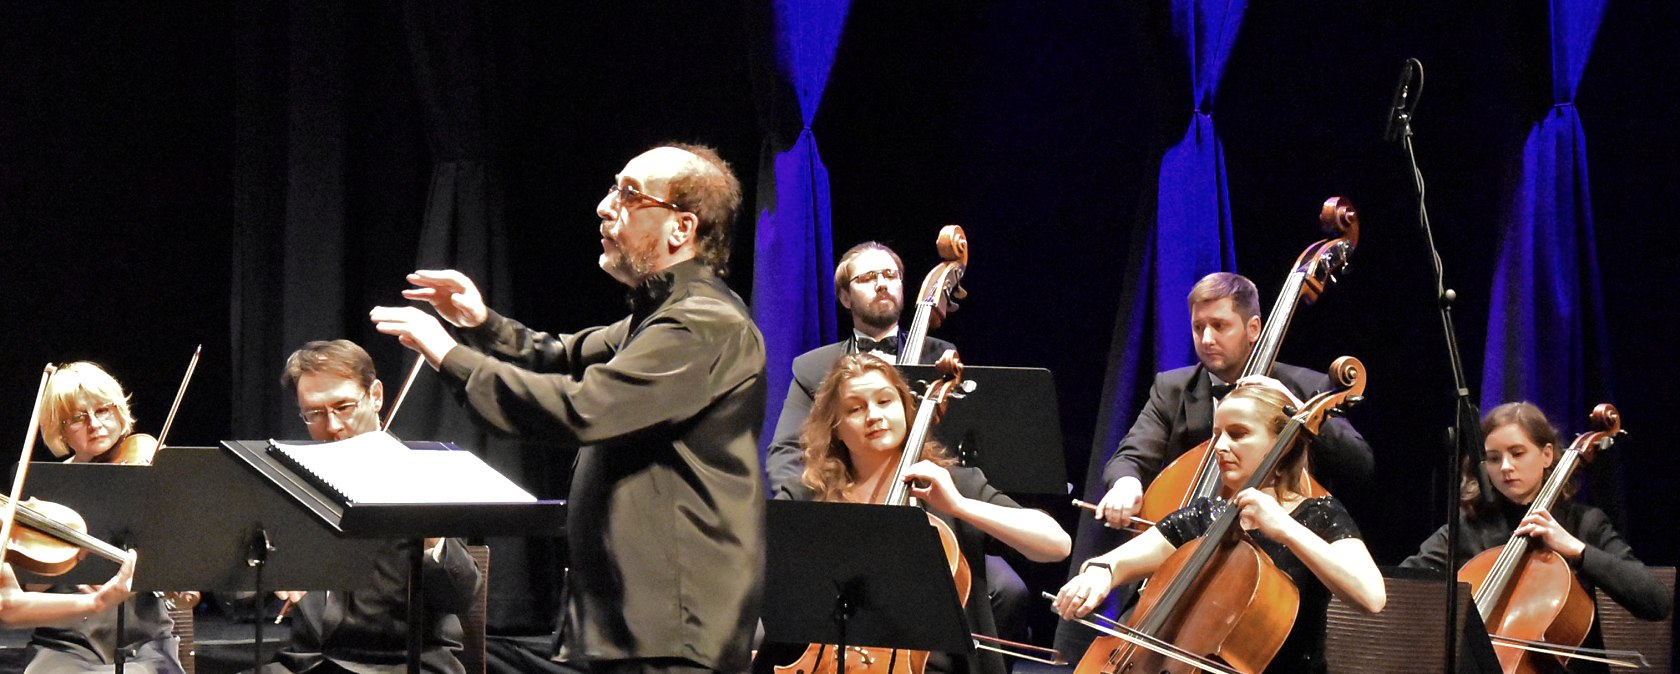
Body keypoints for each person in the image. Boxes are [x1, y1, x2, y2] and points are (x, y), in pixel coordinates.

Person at [370, 143, 766, 674]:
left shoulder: (703, 324)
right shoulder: (658, 318)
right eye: (612, 188)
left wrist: (447, 353)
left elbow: (582, 408)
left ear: (682, 227)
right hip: (642, 622)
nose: (606, 206)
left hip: (676, 626)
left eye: (629, 194)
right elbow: (559, 355)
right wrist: (479, 320)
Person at [1058, 272, 1376, 655]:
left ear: (1253, 327)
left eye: (1220, 326)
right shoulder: (1204, 510)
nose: (1207, 339)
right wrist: (1102, 565)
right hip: (1174, 581)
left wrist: (1297, 411)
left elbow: (1360, 465)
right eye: (1198, 327)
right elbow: (1132, 458)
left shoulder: (1316, 503)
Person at [766, 354, 1070, 674]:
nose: (873, 415)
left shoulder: (952, 484)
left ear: (906, 410)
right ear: (836, 428)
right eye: (855, 408)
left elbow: (1056, 544)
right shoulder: (808, 493)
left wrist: (959, 506)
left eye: (885, 401)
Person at [1053, 383, 1385, 674]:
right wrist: (1099, 574)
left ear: (1283, 443)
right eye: (1217, 435)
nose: (1219, 447)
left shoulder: (1319, 516)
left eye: (1237, 434)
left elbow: (1370, 597)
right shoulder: (1207, 516)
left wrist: (1284, 527)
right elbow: (1117, 562)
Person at [260, 339, 482, 674]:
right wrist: (268, 573)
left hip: (403, 665)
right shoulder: (293, 481)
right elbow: (243, 590)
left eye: (344, 407)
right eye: (315, 414)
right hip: (311, 664)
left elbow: (461, 595)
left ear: (375, 396)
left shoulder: (424, 474)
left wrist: (433, 538)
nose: (332, 426)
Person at [1400, 402, 1671, 673]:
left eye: (1517, 453)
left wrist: (1577, 549)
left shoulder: (1584, 523)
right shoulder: (1466, 528)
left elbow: (1656, 601)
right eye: (1493, 458)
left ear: (1546, 455)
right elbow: (1402, 588)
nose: (1506, 467)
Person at [21, 361, 180, 673]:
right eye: (78, 417)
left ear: (118, 411)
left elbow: (181, 563)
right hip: (66, 643)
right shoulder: (49, 490)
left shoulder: (146, 467)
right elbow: (29, 590)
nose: (94, 423)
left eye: (103, 409)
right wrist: (69, 553)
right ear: (61, 430)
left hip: (145, 643)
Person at [763, 241, 955, 494]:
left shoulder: (939, 356)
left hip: (926, 497)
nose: (882, 284)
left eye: (890, 275)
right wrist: (812, 502)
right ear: (845, 297)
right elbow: (786, 450)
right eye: (867, 278)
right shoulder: (813, 367)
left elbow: (954, 443)